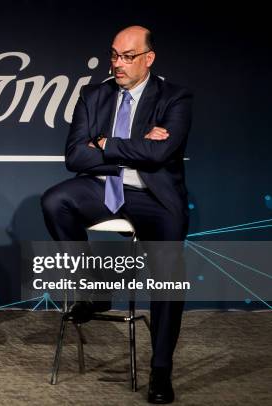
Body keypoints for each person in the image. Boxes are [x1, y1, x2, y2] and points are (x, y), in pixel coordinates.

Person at [41, 26, 192, 404]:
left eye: (127, 56)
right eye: (114, 55)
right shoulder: (94, 95)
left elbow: (161, 156)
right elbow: (75, 157)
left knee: (169, 277)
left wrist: (106, 143)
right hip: (104, 186)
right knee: (55, 200)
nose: (118, 64)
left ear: (148, 58)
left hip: (153, 195)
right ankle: (94, 288)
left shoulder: (175, 97)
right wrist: (134, 146)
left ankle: (160, 371)